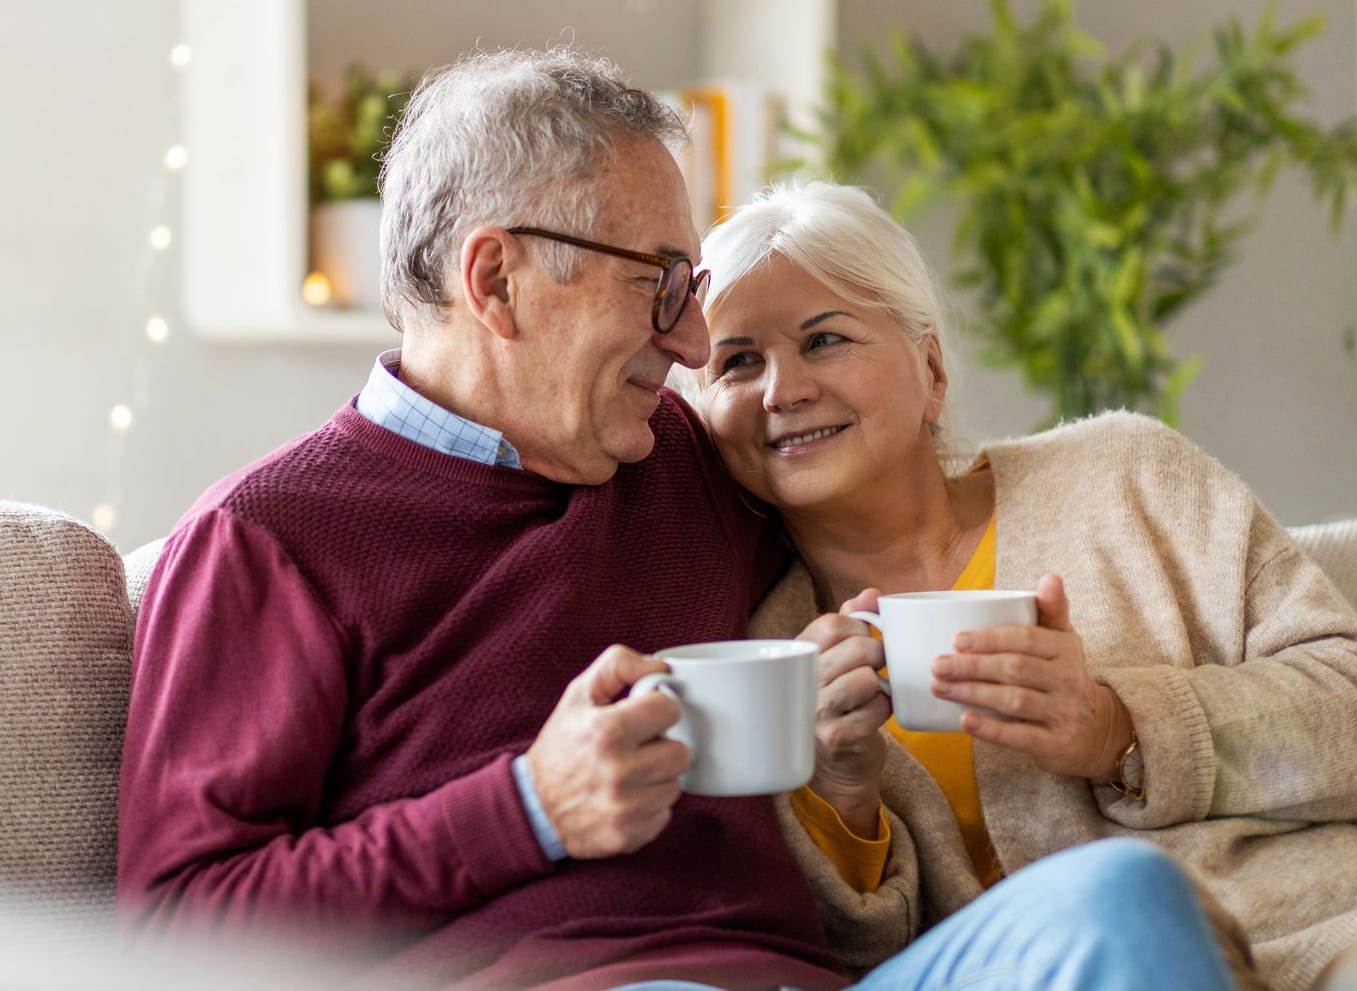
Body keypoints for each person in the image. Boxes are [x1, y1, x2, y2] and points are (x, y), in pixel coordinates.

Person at [115, 50, 1241, 991]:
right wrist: (525, 809)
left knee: (1121, 902)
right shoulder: (268, 540)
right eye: (659, 283)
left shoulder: (688, 466)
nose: (696, 344)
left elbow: (881, 472)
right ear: (497, 281)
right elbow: (179, 932)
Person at [687, 177, 1357, 991]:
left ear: (930, 368)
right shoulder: (764, 655)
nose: (781, 390)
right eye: (738, 361)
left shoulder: (1124, 474)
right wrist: (841, 789)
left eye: (824, 340)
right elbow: (861, 961)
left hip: (1348, 922)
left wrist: (1119, 727)